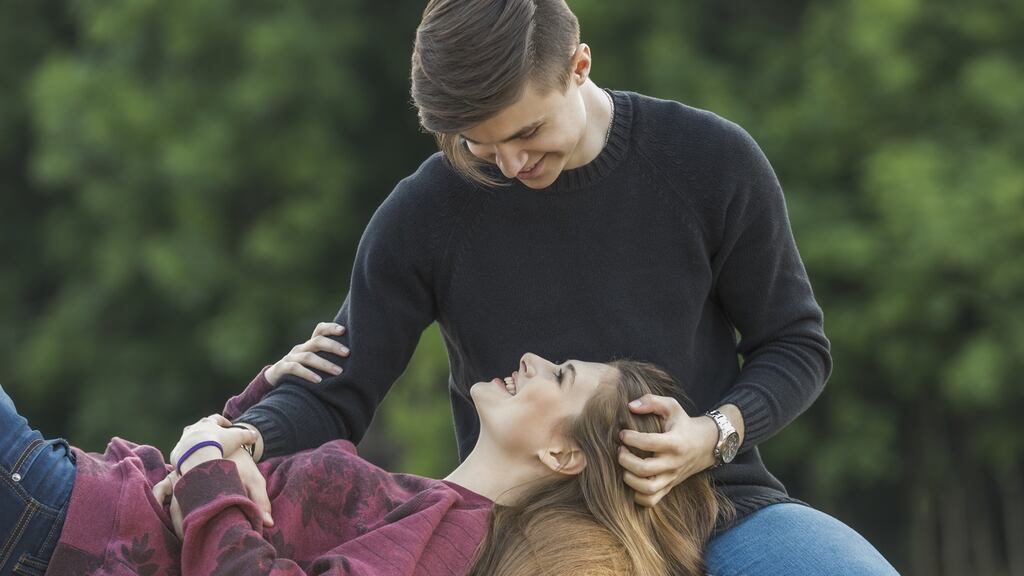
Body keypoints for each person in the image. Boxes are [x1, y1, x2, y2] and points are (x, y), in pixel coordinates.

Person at [222, 1, 900, 572]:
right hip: (524, 530)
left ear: (579, 66)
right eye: (479, 146)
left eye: (527, 133)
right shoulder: (424, 214)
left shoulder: (709, 161)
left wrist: (711, 433)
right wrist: (242, 438)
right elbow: (339, 387)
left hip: (716, 506)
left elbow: (795, 345)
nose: (511, 165)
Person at [0, 325, 725, 575]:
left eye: (562, 375)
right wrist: (252, 414)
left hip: (60, 515)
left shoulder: (452, 538)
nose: (534, 358)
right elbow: (248, 521)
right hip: (64, 503)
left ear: (567, 458)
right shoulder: (440, 511)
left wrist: (204, 463)